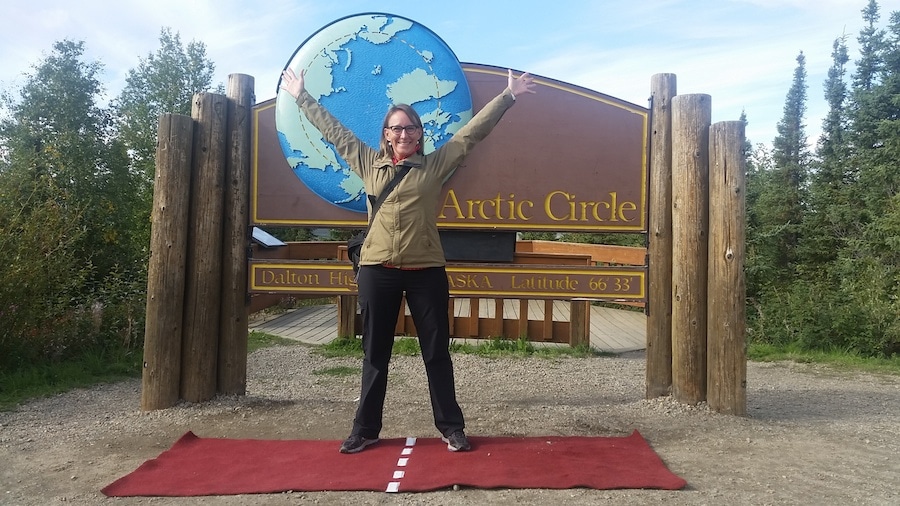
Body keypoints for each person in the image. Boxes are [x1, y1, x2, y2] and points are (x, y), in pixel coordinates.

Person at [280, 66, 536, 454]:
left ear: (420, 134)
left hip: (426, 271)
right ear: (386, 134)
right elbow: (333, 132)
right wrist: (302, 95)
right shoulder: (368, 163)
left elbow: (471, 135)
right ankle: (364, 429)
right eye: (396, 129)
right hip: (377, 270)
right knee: (375, 355)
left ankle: (451, 428)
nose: (403, 134)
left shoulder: (434, 166)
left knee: (436, 352)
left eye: (410, 128)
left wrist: (509, 96)